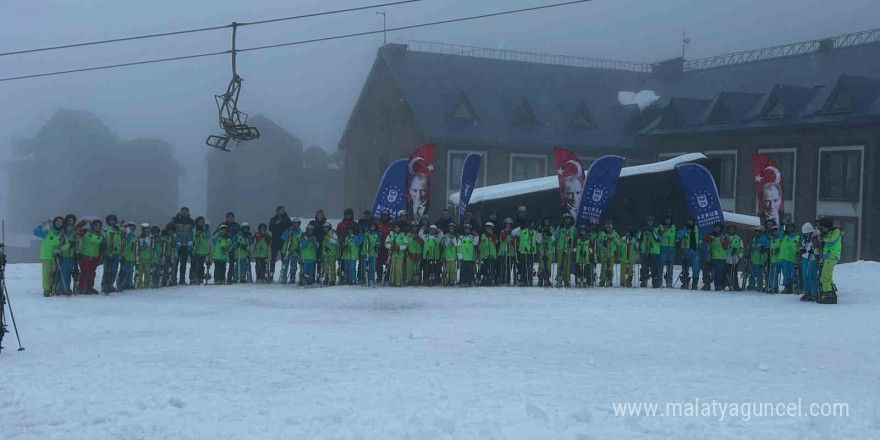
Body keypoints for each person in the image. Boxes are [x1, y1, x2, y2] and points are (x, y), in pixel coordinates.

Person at [33, 216, 66, 296]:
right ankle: (46, 290)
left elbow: (67, 244)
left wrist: (60, 249)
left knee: (54, 273)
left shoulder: (62, 234)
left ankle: (53, 287)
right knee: (46, 274)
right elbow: (35, 232)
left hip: (56, 257)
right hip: (46, 256)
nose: (59, 223)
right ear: (54, 222)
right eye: (57, 221)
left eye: (61, 222)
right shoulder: (47, 232)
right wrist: (42, 225)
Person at [817, 217, 841, 304]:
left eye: (823, 228)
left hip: (831, 256)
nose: (822, 230)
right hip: (828, 256)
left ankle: (828, 294)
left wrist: (822, 238)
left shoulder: (836, 232)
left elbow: (831, 241)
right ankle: (830, 292)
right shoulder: (829, 233)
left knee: (824, 277)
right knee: (828, 276)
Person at [77, 219, 105, 295]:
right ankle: (82, 288)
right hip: (84, 255)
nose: (97, 227)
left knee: (92, 273)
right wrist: (83, 223)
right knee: (84, 272)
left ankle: (90, 288)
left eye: (99, 226)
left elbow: (102, 249)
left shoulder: (101, 236)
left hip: (94, 257)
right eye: (96, 225)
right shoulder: (86, 232)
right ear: (93, 225)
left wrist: (101, 259)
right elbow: (76, 229)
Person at [702, 223, 729, 291]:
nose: (717, 229)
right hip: (711, 257)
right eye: (716, 227)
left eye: (718, 227)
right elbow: (704, 239)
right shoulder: (711, 235)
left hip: (721, 258)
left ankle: (718, 286)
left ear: (721, 229)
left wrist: (723, 241)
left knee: (718, 274)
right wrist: (709, 237)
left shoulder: (724, 236)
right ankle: (707, 284)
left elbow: (726, 247)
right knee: (706, 270)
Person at [171, 207, 195, 285]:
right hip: (176, 245)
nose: (184, 213)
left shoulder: (191, 221)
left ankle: (182, 279)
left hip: (185, 245)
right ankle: (173, 278)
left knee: (183, 264)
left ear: (188, 213)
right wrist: (175, 239)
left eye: (186, 212)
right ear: (180, 212)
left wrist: (190, 243)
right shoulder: (174, 220)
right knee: (175, 263)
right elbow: (170, 229)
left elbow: (192, 232)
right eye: (183, 211)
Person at [267, 206, 292, 282]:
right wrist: (276, 223)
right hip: (275, 241)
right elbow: (270, 228)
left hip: (284, 242)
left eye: (283, 210)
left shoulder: (287, 219)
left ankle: (283, 275)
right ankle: (271, 274)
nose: (283, 211)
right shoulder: (273, 219)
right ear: (277, 211)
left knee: (284, 259)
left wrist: (283, 221)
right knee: (273, 259)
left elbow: (290, 227)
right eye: (281, 210)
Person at [676, 217, 701, 290]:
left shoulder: (696, 228)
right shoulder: (684, 228)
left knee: (696, 268)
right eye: (688, 221)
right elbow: (679, 237)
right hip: (685, 250)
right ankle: (685, 282)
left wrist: (700, 247)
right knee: (685, 267)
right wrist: (684, 230)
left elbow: (699, 238)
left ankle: (694, 283)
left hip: (695, 250)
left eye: (691, 221)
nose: (690, 222)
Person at [101, 214, 124, 293]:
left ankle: (110, 285)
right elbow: (103, 239)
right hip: (108, 253)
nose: (112, 222)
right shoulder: (105, 229)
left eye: (113, 220)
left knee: (114, 270)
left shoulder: (118, 230)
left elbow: (125, 235)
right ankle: (104, 285)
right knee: (107, 270)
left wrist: (121, 225)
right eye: (110, 220)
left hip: (116, 253)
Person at [511, 219, 537, 287]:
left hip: (531, 252)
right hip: (523, 251)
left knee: (530, 267)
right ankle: (521, 280)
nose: (532, 225)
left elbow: (538, 240)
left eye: (533, 224)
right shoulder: (522, 230)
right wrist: (520, 227)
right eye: (530, 223)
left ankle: (528, 280)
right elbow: (513, 233)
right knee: (522, 267)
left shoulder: (534, 231)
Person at [637, 216, 661, 288]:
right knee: (644, 267)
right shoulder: (642, 230)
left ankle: (655, 281)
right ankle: (644, 280)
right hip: (644, 250)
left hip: (654, 251)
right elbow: (638, 238)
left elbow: (659, 239)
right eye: (648, 221)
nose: (649, 223)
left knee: (654, 267)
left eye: (651, 221)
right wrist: (641, 232)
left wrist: (653, 232)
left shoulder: (656, 229)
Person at [799, 223, 820, 301]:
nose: (807, 235)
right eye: (805, 233)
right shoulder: (804, 239)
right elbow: (801, 245)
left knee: (812, 275)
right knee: (805, 275)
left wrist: (815, 251)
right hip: (806, 257)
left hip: (813, 259)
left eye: (808, 233)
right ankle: (807, 292)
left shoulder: (815, 238)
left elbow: (818, 249)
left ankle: (814, 293)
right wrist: (802, 250)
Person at [777, 222, 799, 294]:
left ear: (794, 228)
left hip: (793, 258)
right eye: (788, 227)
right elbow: (778, 231)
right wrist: (782, 224)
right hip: (785, 258)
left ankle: (794, 287)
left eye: (791, 227)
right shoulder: (784, 236)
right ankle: (787, 287)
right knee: (786, 274)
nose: (789, 229)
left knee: (793, 274)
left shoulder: (797, 237)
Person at [598, 219, 621, 287]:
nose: (608, 226)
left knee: (610, 268)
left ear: (612, 226)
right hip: (604, 254)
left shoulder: (615, 234)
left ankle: (610, 279)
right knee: (603, 267)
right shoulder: (602, 233)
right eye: (607, 225)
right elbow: (598, 243)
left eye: (610, 225)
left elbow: (619, 244)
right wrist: (603, 245)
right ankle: (602, 279)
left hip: (612, 254)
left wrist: (613, 238)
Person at [218, 212, 241, 282]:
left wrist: (237, 242)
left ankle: (229, 278)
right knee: (223, 263)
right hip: (224, 246)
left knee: (232, 263)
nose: (230, 219)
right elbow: (217, 234)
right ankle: (222, 277)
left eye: (231, 217)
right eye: (229, 217)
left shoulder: (237, 225)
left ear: (234, 218)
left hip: (233, 246)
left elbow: (240, 235)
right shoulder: (222, 225)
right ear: (226, 218)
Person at [554, 213, 576, 288]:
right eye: (566, 218)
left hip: (569, 248)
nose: (567, 220)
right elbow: (556, 236)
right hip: (561, 248)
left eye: (569, 218)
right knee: (560, 264)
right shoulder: (561, 228)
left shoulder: (573, 228)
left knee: (568, 264)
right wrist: (559, 230)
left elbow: (575, 238)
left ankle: (567, 279)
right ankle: (559, 278)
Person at [280, 218, 303, 284]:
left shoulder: (300, 232)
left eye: (297, 223)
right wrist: (288, 235)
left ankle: (292, 278)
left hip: (295, 250)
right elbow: (282, 237)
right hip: (287, 249)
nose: (296, 225)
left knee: (293, 266)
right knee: (285, 265)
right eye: (295, 223)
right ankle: (283, 278)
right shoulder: (288, 230)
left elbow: (301, 240)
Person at [191, 217, 212, 285]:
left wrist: (207, 229)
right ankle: (193, 277)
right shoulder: (194, 230)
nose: (201, 223)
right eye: (200, 222)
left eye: (202, 222)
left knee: (200, 265)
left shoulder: (205, 230)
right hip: (195, 250)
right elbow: (191, 237)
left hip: (203, 251)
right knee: (194, 265)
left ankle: (200, 277)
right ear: (197, 222)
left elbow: (209, 236)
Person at [658, 215, 676, 287]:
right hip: (663, 248)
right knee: (660, 266)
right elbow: (658, 234)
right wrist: (663, 230)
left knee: (670, 267)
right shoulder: (661, 226)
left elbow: (675, 236)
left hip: (671, 248)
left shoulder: (673, 227)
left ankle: (669, 282)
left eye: (669, 219)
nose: (668, 221)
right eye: (666, 220)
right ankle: (659, 281)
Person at [119, 222, 139, 291]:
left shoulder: (135, 237)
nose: (132, 229)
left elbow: (136, 246)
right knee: (125, 270)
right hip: (125, 256)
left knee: (130, 271)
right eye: (130, 227)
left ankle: (129, 283)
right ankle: (124, 283)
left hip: (132, 256)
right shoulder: (126, 236)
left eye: (133, 228)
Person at [724, 225, 744, 291]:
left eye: (733, 229)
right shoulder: (725, 237)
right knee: (725, 272)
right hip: (726, 257)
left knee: (734, 273)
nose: (731, 230)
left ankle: (735, 285)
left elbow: (741, 248)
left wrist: (740, 256)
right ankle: (725, 284)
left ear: (735, 230)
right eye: (730, 229)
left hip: (735, 257)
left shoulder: (738, 238)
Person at [361, 222, 381, 286]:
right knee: (365, 266)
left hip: (373, 252)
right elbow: (361, 240)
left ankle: (371, 278)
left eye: (373, 226)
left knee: (372, 266)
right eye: (371, 226)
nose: (372, 228)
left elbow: (379, 242)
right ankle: (365, 279)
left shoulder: (376, 234)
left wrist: (377, 245)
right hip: (365, 252)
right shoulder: (366, 234)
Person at [406, 221, 425, 285]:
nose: (414, 228)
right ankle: (409, 280)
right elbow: (406, 244)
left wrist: (418, 238)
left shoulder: (420, 234)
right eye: (413, 227)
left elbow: (423, 243)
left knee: (417, 268)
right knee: (409, 268)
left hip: (418, 253)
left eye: (416, 227)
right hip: (410, 253)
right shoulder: (408, 234)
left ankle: (416, 280)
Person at [136, 224, 153, 289]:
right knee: (140, 271)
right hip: (140, 257)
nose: (146, 232)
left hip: (147, 257)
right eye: (144, 230)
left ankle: (147, 283)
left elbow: (151, 247)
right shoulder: (139, 238)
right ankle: (139, 283)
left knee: (147, 271)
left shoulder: (150, 238)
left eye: (147, 230)